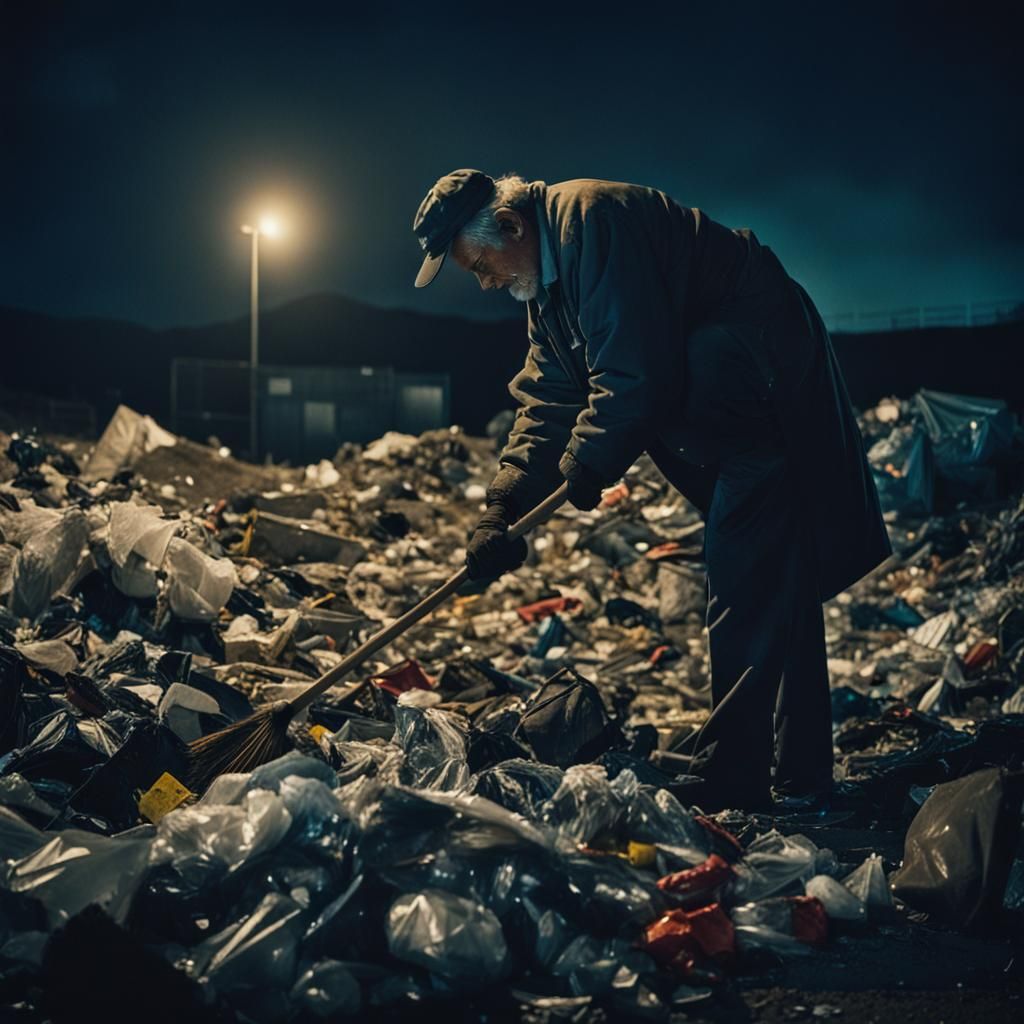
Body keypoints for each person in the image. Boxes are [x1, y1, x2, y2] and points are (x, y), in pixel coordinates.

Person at [411, 169, 891, 812]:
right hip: (713, 408)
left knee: (745, 574)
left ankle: (737, 780)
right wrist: (503, 507)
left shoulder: (593, 224)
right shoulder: (548, 289)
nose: (485, 281)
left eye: (479, 264)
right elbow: (551, 395)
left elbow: (635, 373)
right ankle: (803, 775)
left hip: (758, 389)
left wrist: (587, 465)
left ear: (510, 226)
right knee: (779, 580)